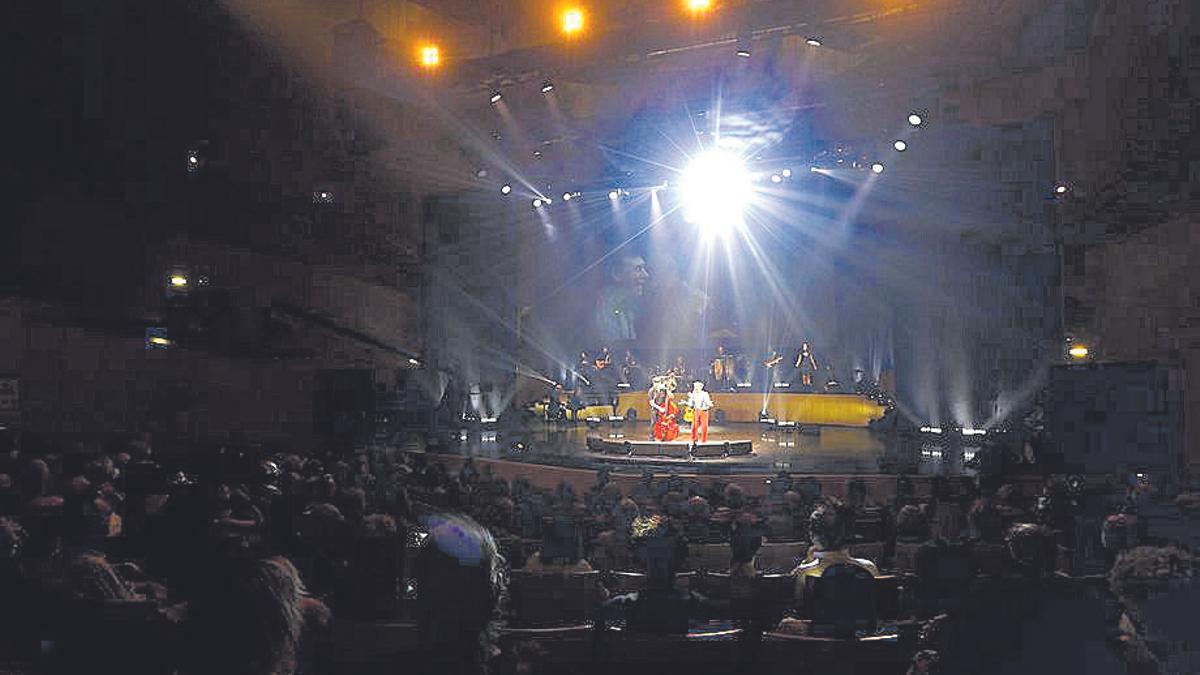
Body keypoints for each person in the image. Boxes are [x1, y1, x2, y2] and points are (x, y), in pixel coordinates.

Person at [595, 254, 649, 343]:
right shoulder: (605, 306)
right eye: (638, 269)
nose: (646, 275)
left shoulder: (626, 306)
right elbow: (611, 346)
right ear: (617, 274)